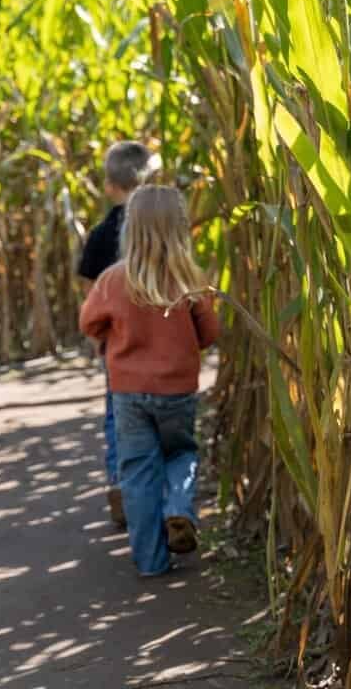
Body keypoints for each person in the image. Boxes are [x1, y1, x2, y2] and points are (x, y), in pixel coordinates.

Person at [79, 186, 221, 577]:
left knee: (138, 471)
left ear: (131, 229)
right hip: (178, 391)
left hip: (128, 394)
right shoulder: (190, 280)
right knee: (181, 454)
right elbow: (209, 333)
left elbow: (88, 321)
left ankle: (150, 561)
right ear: (180, 230)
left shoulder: (112, 279)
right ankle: (178, 509)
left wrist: (113, 334)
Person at [78, 141, 159, 527]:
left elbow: (91, 298)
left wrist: (99, 339)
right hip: (164, 347)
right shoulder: (164, 232)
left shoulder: (100, 234)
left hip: (118, 348)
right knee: (161, 417)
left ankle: (119, 484)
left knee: (118, 418)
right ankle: (158, 495)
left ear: (110, 185)